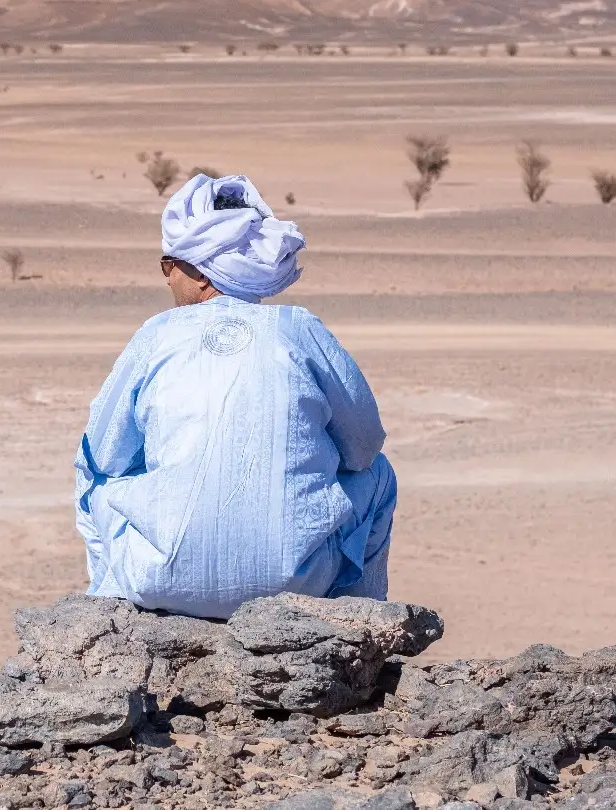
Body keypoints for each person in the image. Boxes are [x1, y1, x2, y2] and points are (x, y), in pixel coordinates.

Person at [75, 172, 397, 619]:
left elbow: (106, 454)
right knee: (379, 476)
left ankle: (107, 608)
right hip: (296, 582)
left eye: (169, 264)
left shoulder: (156, 334)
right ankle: (355, 625)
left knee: (91, 468)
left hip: (155, 576)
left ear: (201, 273)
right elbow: (363, 447)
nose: (166, 277)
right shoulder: (300, 329)